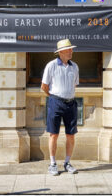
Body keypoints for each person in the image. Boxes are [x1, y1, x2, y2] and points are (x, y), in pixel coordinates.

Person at [41, 39, 79, 176]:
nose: (71, 52)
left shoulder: (74, 67)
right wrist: (54, 97)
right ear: (61, 52)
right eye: (69, 49)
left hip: (71, 103)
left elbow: (74, 85)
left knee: (71, 135)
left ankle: (67, 162)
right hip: (55, 102)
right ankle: (52, 163)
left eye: (71, 49)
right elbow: (44, 87)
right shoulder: (51, 66)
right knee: (53, 134)